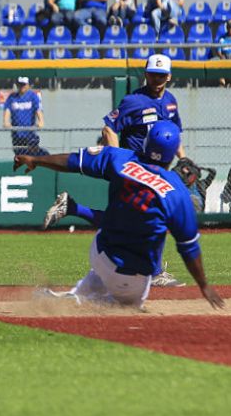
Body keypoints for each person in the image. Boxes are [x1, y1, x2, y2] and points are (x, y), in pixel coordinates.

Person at [15, 121, 225, 311]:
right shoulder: (176, 192)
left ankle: (72, 295)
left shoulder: (118, 158)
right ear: (173, 155)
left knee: (112, 243)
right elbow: (188, 246)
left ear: (147, 143)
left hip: (99, 253)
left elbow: (73, 161)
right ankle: (77, 302)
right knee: (130, 306)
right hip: (131, 277)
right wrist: (204, 285)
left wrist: (36, 159)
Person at [43, 54, 187, 287]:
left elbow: (175, 133)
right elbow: (108, 128)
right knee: (145, 219)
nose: (156, 79)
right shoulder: (133, 101)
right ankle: (155, 271)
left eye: (161, 75)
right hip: (135, 171)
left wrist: (184, 158)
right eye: (152, 74)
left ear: (169, 76)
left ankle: (72, 207)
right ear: (145, 73)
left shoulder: (171, 101)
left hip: (154, 172)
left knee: (128, 222)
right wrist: (119, 161)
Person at [3, 77, 45, 156]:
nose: (22, 87)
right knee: (19, 156)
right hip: (17, 134)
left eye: (24, 84)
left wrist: (41, 121)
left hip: (30, 133)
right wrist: (6, 122)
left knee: (32, 155)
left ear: (28, 85)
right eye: (20, 84)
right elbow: (7, 110)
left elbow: (38, 110)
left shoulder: (33, 96)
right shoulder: (12, 97)